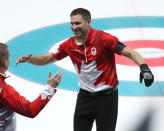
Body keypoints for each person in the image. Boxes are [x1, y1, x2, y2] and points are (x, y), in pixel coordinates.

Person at [15, 8, 154, 131]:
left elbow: (130, 52)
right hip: (85, 98)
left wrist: (144, 68)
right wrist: (29, 59)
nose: (74, 27)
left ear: (88, 22)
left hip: (107, 99)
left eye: (78, 23)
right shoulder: (68, 45)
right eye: (72, 23)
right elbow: (46, 59)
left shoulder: (104, 39)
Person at [0, 43, 63, 131]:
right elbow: (30, 110)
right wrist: (50, 88)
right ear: (5, 62)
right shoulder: (4, 90)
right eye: (8, 57)